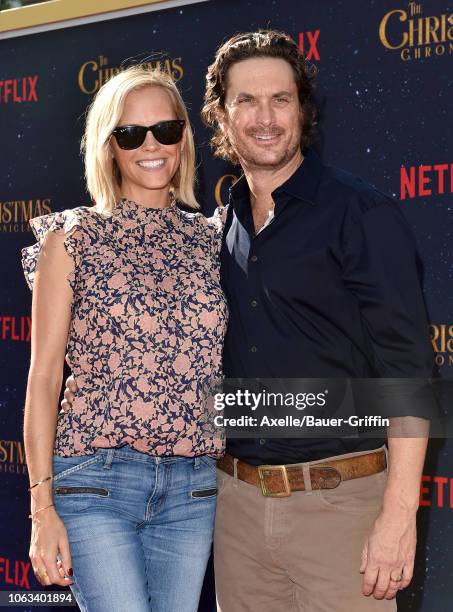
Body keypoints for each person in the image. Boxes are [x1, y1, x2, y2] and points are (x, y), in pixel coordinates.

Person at [200, 31, 434, 611]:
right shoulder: (219, 226)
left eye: (281, 99)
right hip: (237, 514)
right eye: (246, 102)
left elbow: (408, 372)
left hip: (342, 509)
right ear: (221, 116)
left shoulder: (360, 213)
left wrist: (399, 516)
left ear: (303, 109)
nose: (265, 118)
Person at [22, 65, 227, 612]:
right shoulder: (71, 239)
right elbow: (43, 377)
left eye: (166, 129)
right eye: (131, 134)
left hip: (194, 489)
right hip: (95, 483)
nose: (151, 145)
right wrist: (42, 508)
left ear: (185, 136)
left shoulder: (213, 240)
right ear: (108, 146)